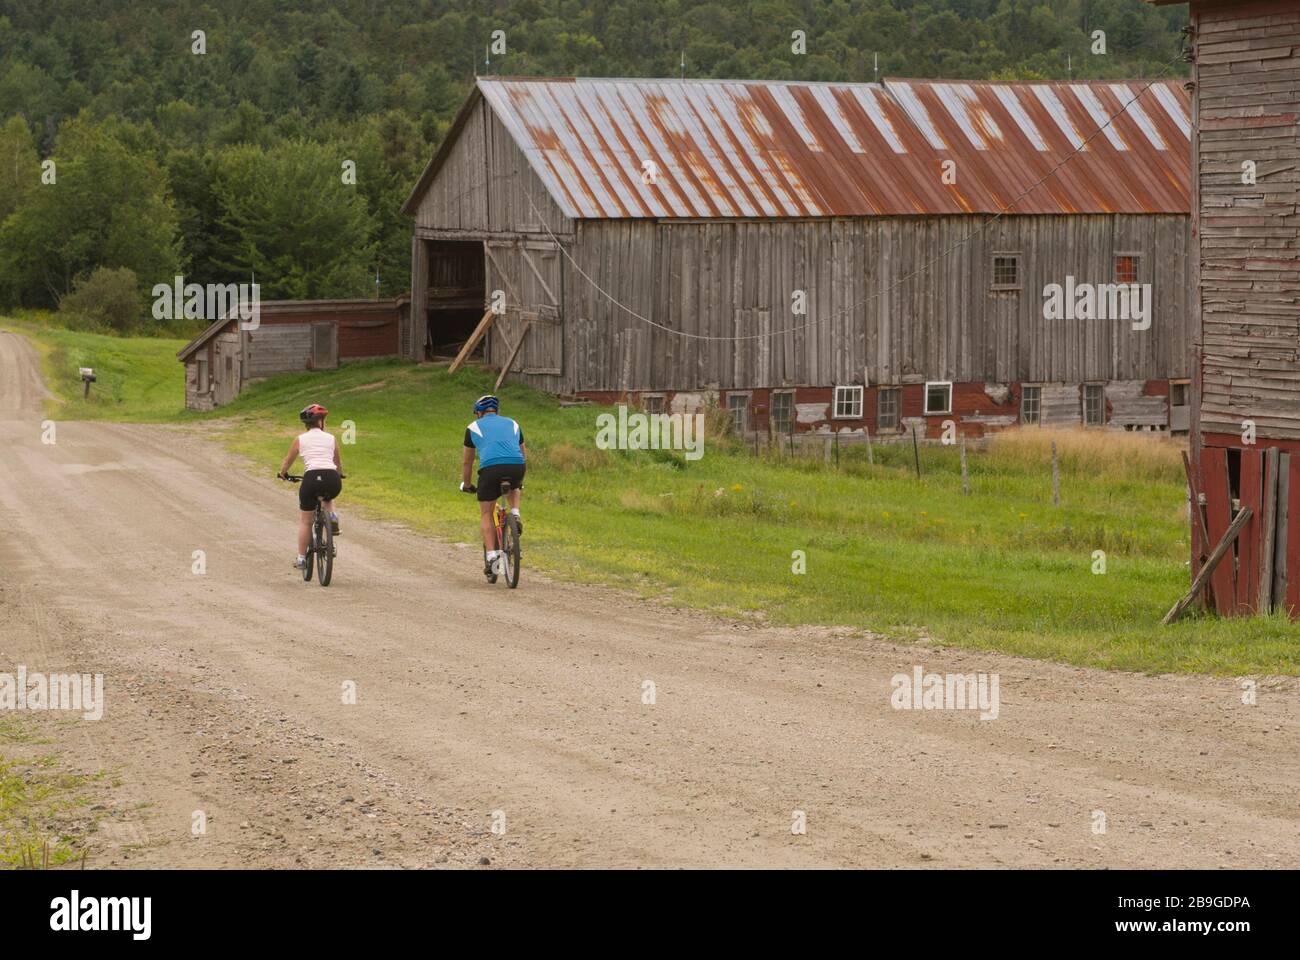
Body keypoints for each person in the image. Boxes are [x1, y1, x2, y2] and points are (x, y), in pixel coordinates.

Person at [459, 394, 526, 574]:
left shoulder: (473, 427)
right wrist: (519, 479)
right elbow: (522, 453)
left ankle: (492, 557)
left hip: (491, 470)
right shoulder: (513, 423)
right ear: (496, 411)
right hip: (517, 466)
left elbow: (467, 462)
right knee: (515, 485)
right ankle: (515, 513)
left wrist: (467, 484)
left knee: (486, 513)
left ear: (479, 413)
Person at [277, 403, 342, 570]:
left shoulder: (300, 439)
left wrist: (283, 473)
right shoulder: (331, 438)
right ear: (321, 422)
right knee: (328, 496)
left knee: (306, 521)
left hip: (311, 478)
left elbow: (287, 461)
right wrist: (339, 474)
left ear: (306, 424)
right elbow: (337, 463)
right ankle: (332, 518)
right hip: (332, 478)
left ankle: (301, 559)